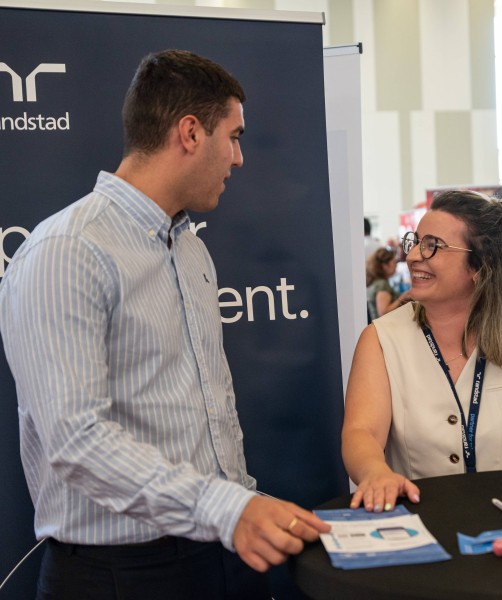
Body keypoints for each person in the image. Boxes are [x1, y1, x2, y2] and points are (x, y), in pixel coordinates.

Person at [0, 50, 328, 600]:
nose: (240, 158)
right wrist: (227, 508)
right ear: (191, 133)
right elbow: (76, 440)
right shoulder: (67, 251)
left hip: (222, 554)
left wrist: (239, 507)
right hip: (119, 575)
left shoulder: (190, 250)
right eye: (235, 135)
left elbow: (210, 407)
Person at [342, 190, 502, 513]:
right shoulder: (381, 339)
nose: (411, 257)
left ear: (480, 266)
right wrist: (375, 472)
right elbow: (361, 432)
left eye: (432, 246)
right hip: (422, 533)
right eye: (415, 241)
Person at [366, 247, 412, 321]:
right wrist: (403, 297)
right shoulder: (382, 284)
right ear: (385, 266)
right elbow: (383, 312)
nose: (396, 266)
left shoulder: (377, 282)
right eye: (394, 262)